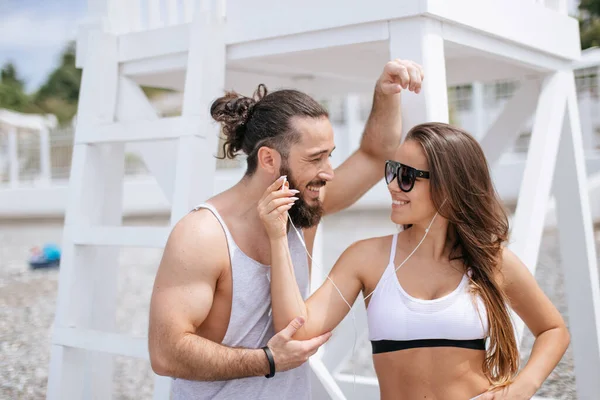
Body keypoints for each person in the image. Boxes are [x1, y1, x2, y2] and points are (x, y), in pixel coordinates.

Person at [148, 59, 425, 399]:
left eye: (330, 156)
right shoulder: (202, 234)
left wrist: (386, 93)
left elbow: (374, 154)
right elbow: (165, 353)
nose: (329, 173)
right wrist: (268, 360)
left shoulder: (303, 206)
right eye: (315, 158)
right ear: (268, 160)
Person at [259, 122, 571, 400]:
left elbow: (553, 329)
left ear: (449, 185)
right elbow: (295, 330)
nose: (393, 185)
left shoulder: (491, 260)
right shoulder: (366, 258)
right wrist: (277, 237)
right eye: (392, 171)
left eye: (406, 176)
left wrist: (522, 388)